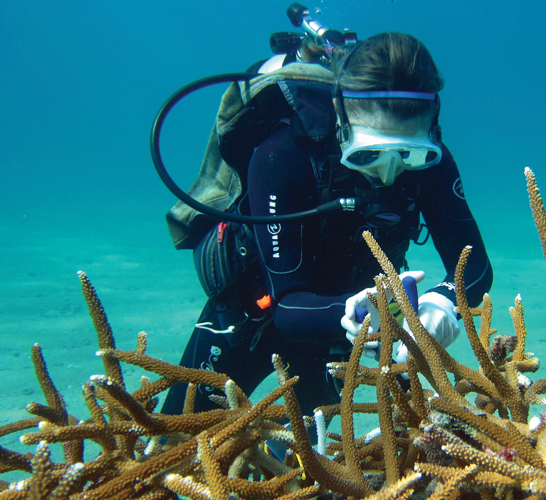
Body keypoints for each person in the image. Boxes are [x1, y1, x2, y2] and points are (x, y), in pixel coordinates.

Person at [160, 32, 493, 418]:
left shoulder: (435, 164)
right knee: (178, 436)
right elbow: (284, 303)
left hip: (348, 326)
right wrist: (351, 309)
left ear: (431, 128)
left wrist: (444, 300)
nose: (388, 174)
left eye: (409, 154)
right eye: (369, 154)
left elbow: (476, 267)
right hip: (253, 315)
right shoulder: (281, 157)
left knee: (325, 462)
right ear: (341, 116)